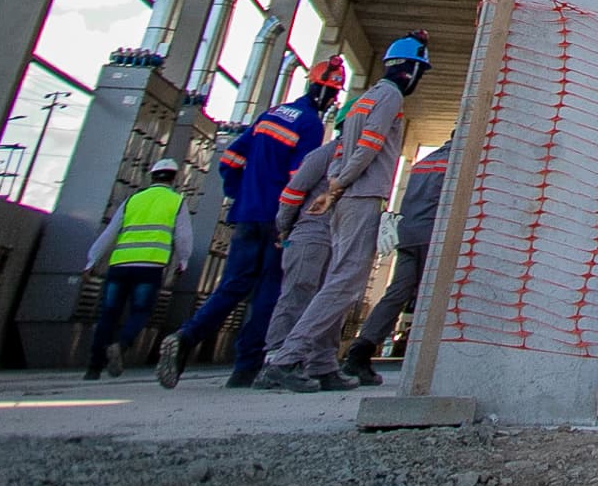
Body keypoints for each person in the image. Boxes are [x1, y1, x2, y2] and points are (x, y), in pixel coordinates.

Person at [155, 57, 341, 389]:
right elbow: (298, 177)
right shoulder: (310, 124)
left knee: (232, 286)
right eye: (333, 95)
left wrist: (240, 193)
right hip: (276, 217)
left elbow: (230, 159)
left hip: (246, 214)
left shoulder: (270, 114)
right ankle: (246, 367)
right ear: (328, 94)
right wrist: (292, 218)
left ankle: (186, 337)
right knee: (269, 292)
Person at [259, 34, 427, 390]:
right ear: (410, 70)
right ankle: (287, 359)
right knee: (346, 283)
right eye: (420, 72)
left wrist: (334, 188)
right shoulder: (391, 97)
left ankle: (322, 364)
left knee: (336, 280)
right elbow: (369, 146)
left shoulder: (363, 100)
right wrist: (340, 184)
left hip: (346, 198)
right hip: (363, 195)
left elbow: (340, 153)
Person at [340, 139, 448, 387]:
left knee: (397, 293)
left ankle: (360, 351)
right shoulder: (460, 163)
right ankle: (432, 361)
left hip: (408, 235)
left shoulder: (423, 163)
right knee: (440, 297)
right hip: (434, 236)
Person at [83, 158, 193, 380]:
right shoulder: (176, 201)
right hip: (150, 266)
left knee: (108, 314)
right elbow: (183, 236)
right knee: (140, 312)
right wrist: (183, 261)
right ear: (174, 179)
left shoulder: (132, 199)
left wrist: (91, 261)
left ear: (152, 176)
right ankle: (122, 345)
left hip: (120, 265)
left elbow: (110, 232)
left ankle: (93, 368)